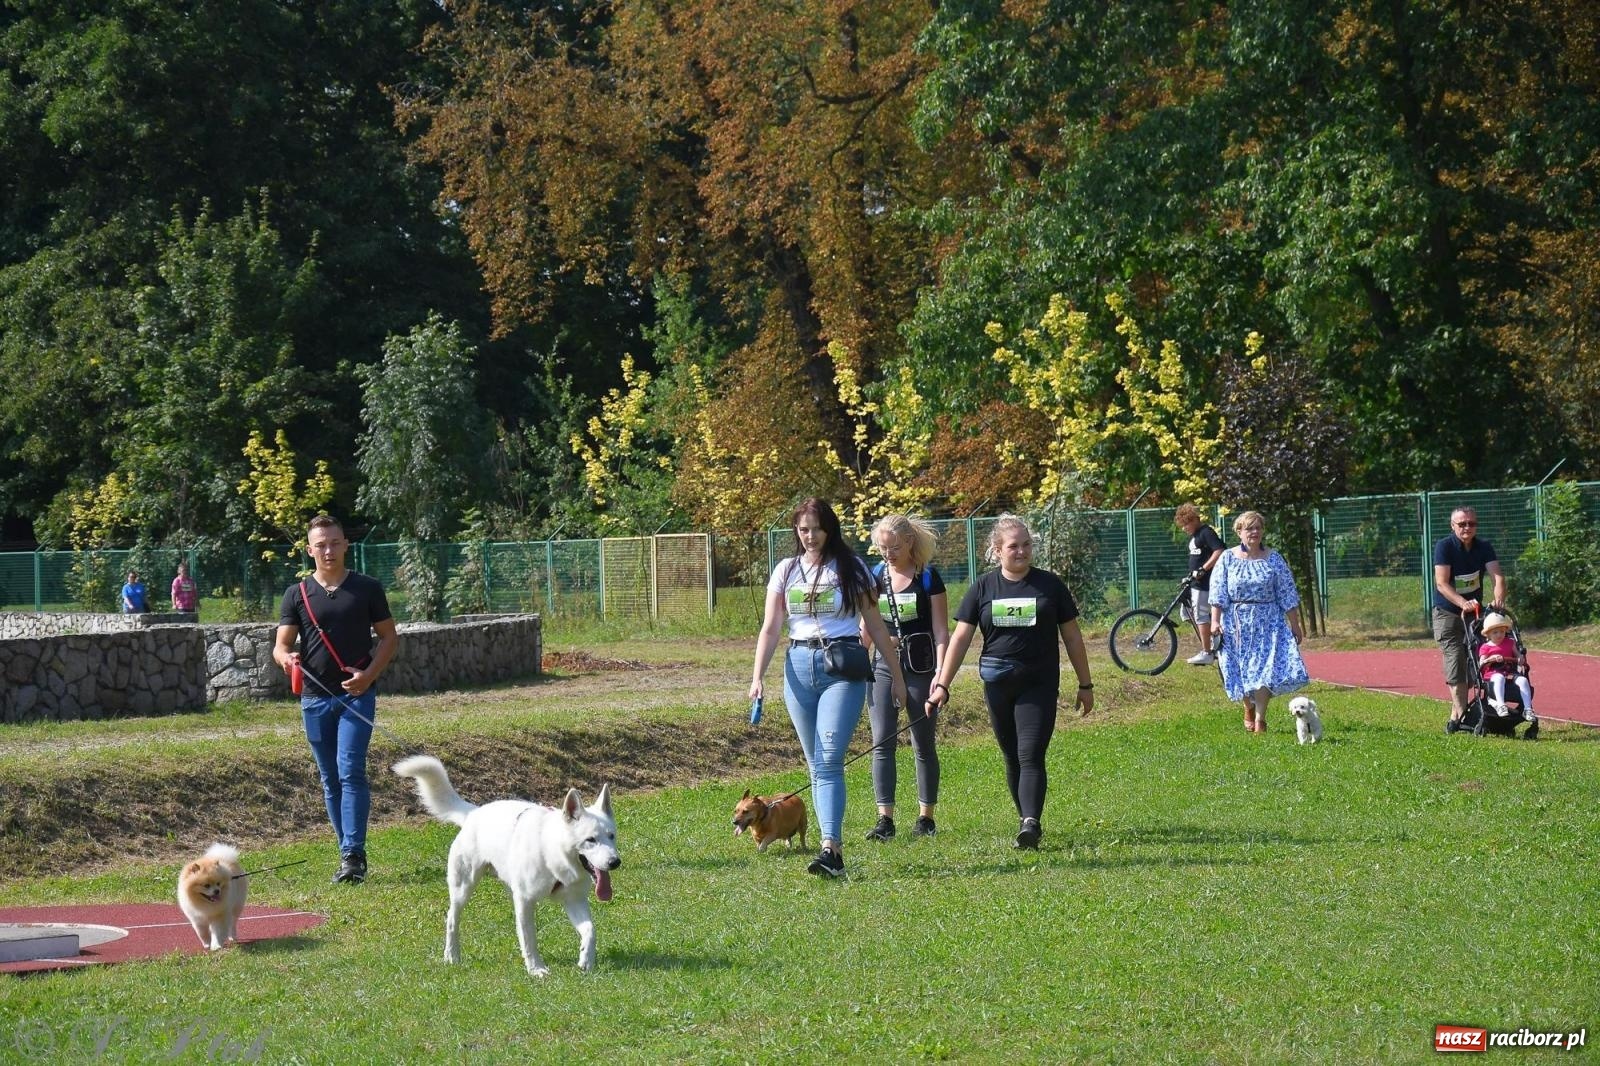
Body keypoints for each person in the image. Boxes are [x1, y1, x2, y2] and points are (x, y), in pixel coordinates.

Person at [750, 498, 907, 878]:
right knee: (815, 761)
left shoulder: (851, 569)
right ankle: (828, 847)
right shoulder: (786, 570)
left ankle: (830, 847)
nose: (810, 536)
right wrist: (757, 677)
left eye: (816, 528)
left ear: (830, 529)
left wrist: (898, 677)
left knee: (830, 757)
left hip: (842, 665)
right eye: (803, 529)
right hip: (798, 667)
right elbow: (771, 627)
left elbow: (876, 623)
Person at [925, 515, 1094, 850]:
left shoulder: (1050, 586)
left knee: (1031, 752)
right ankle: (1025, 820)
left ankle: (1031, 822)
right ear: (997, 550)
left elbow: (1073, 638)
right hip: (998, 683)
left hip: (1039, 683)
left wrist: (1085, 684)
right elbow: (960, 638)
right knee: (1011, 755)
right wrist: (942, 683)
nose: (1022, 551)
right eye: (1014, 546)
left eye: (1027, 544)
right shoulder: (984, 587)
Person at [273, 514, 399, 884]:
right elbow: (280, 647)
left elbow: (389, 638)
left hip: (356, 696)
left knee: (350, 771)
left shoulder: (368, 588)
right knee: (329, 778)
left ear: (346, 545)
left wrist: (368, 676)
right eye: (320, 544)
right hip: (314, 699)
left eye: (334, 542)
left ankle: (353, 855)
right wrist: (287, 659)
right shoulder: (297, 594)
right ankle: (346, 851)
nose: (328, 550)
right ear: (310, 550)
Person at [859, 514, 949, 842]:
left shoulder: (928, 578)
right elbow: (866, 626)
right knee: (881, 741)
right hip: (883, 665)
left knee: (922, 742)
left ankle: (926, 817)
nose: (889, 554)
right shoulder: (875, 577)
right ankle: (885, 820)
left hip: (921, 667)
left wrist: (941, 674)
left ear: (909, 542)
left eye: (894, 547)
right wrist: (858, 661)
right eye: (883, 548)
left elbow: (941, 630)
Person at [1208, 511, 1309, 733]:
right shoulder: (1227, 558)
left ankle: (1260, 719)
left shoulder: (1274, 559)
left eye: (1258, 528)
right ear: (1239, 532)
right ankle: (1248, 706)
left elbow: (1287, 593)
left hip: (1268, 622)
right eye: (1249, 528)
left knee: (1265, 669)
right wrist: (1215, 622)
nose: (1254, 532)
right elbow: (1217, 593)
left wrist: (1295, 624)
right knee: (1238, 668)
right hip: (1236, 622)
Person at [1433, 505, 1507, 734]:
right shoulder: (1444, 546)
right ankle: (1460, 714)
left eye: (1471, 523)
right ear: (1452, 526)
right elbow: (1441, 583)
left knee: (1475, 660)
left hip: (1475, 614)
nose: (1467, 527)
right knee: (1455, 658)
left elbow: (1497, 576)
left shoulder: (1483, 547)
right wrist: (1461, 602)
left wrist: (1498, 599)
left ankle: (1460, 713)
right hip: (1449, 613)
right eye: (1462, 524)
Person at [1175, 504, 1225, 666]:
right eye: (1182, 525)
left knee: (1201, 615)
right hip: (1195, 582)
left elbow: (1219, 551)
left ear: (1195, 520)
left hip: (1205, 583)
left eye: (1186, 524)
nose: (1184, 528)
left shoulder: (1206, 532)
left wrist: (1203, 569)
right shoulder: (1195, 536)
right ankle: (1212, 638)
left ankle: (1207, 653)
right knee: (1186, 612)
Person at [1477, 612, 1535, 722]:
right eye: (1495, 632)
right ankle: (1500, 704)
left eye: (1502, 632)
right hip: (1493, 673)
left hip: (1509, 672)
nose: (1499, 635)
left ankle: (1528, 709)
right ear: (1488, 634)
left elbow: (1518, 655)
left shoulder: (1510, 643)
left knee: (1523, 680)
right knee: (1499, 677)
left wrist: (1520, 659)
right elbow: (1481, 663)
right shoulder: (1485, 647)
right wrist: (1491, 659)